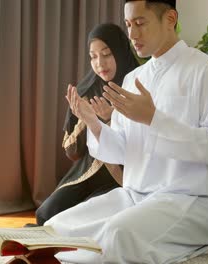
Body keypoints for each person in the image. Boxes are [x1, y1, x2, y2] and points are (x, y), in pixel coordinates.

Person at [45, 0, 208, 263]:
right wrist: (95, 124)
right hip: (134, 196)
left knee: (117, 234)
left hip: (190, 201)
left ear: (170, 19)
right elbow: (123, 149)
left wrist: (153, 119)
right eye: (128, 25)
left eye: (140, 23)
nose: (132, 34)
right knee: (55, 228)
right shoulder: (134, 78)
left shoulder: (205, 72)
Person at [35, 23, 139, 226]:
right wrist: (86, 120)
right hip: (87, 173)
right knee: (46, 215)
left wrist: (112, 120)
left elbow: (146, 142)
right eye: (93, 56)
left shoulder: (137, 85)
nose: (100, 63)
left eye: (107, 54)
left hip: (125, 176)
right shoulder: (86, 90)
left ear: (120, 51)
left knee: (85, 220)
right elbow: (72, 153)